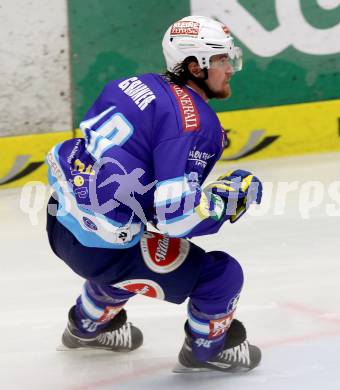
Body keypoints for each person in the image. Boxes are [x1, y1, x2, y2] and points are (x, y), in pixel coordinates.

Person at [46, 15, 263, 373]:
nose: (231, 69)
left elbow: (132, 181)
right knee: (222, 275)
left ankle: (88, 324)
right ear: (195, 66)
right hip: (102, 250)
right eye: (223, 60)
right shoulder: (196, 123)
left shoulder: (132, 83)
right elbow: (177, 219)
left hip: (61, 220)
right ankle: (210, 349)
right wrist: (227, 200)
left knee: (138, 248)